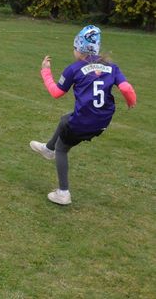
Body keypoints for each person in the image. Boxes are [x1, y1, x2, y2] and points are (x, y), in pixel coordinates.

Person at [30, 25, 137, 205]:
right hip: (102, 120)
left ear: (80, 49)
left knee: (62, 149)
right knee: (65, 119)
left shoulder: (74, 69)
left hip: (84, 122)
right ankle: (48, 149)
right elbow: (126, 88)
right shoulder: (111, 67)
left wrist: (45, 72)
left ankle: (63, 193)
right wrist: (131, 101)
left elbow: (56, 93)